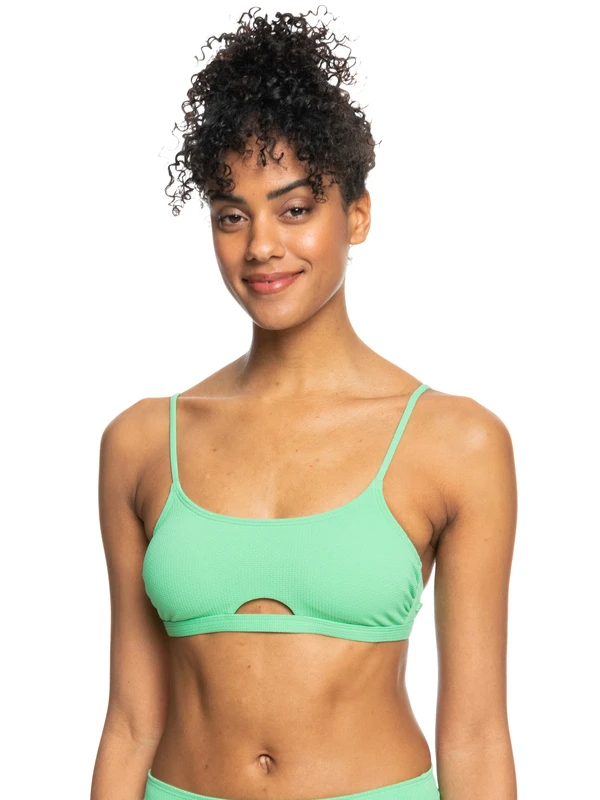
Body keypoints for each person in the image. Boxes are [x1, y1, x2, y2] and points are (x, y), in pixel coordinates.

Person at [91, 8, 518, 800]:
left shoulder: (456, 442)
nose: (261, 245)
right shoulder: (142, 443)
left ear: (356, 215)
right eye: (232, 216)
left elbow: (476, 734)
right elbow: (129, 723)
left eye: (294, 209)